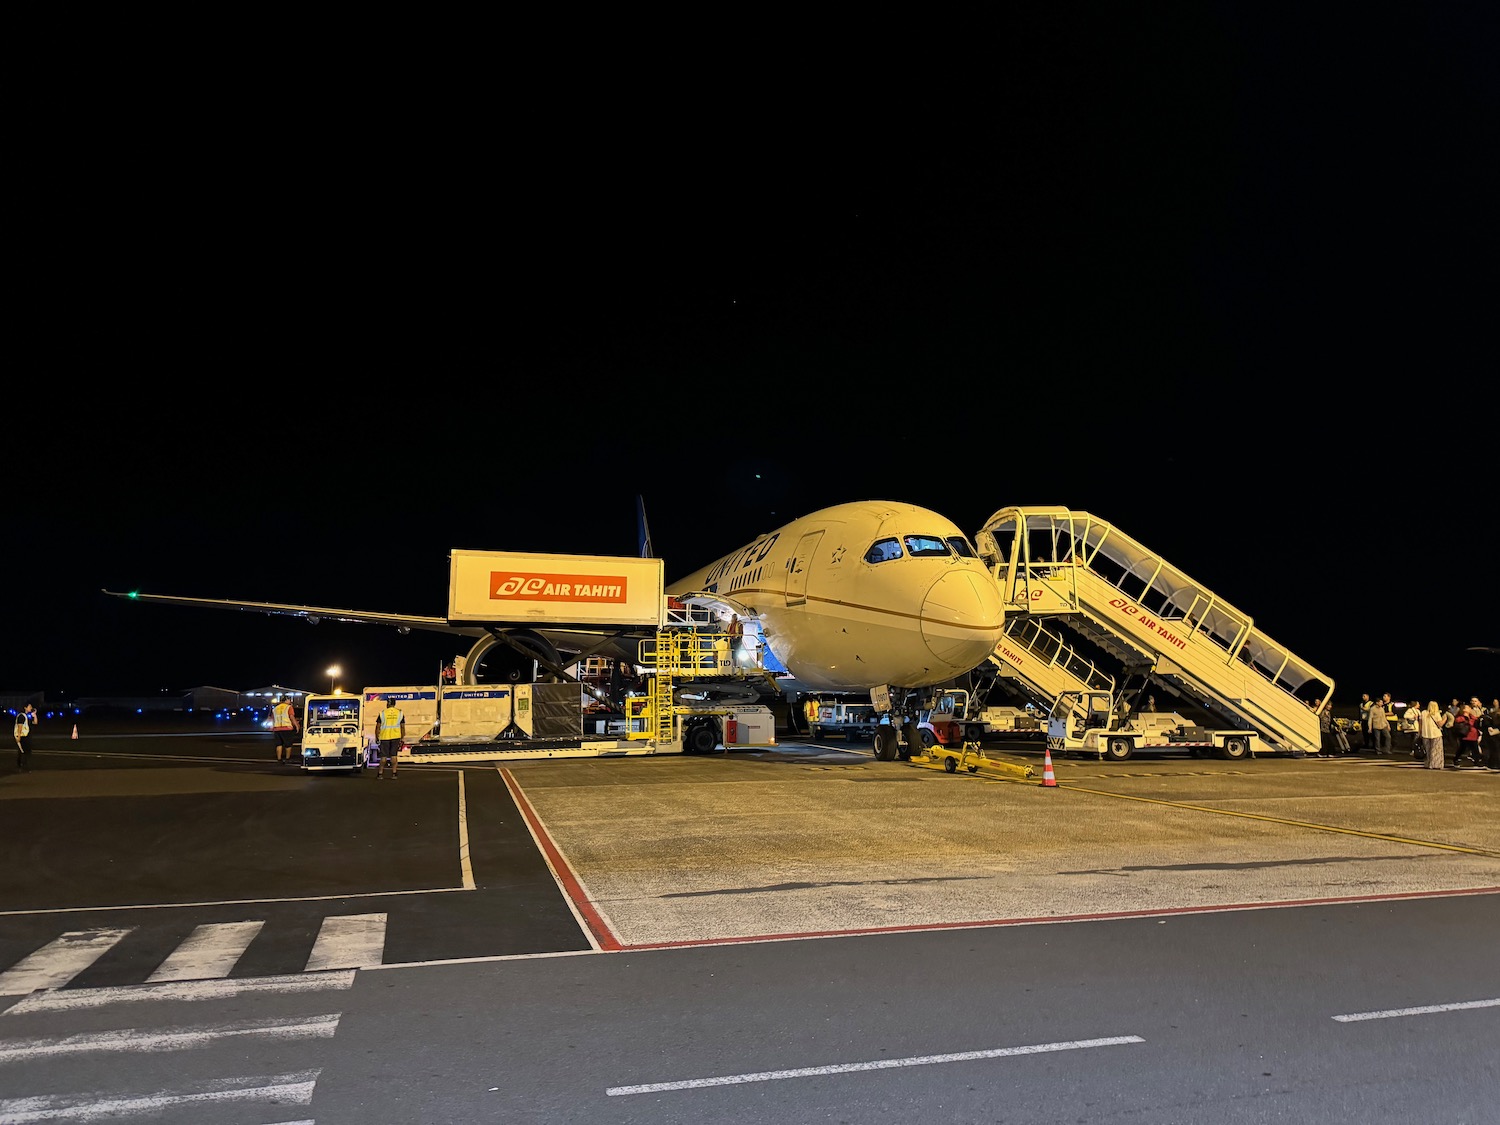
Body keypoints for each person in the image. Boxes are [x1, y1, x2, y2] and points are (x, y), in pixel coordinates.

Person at [375, 697, 405, 779]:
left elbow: (378, 727)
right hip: (396, 737)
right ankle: (394, 773)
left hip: (384, 737)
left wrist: (377, 737)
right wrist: (402, 737)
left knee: (383, 757)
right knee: (394, 756)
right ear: (394, 704)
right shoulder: (400, 713)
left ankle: (380, 773)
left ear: (387, 704)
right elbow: (402, 727)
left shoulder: (382, 713)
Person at [270, 695, 300, 763]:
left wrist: (272, 728)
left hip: (277, 728)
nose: (290, 701)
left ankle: (279, 759)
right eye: (289, 700)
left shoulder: (275, 708)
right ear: (286, 700)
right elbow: (291, 717)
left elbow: (273, 719)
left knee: (279, 744)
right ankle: (287, 758)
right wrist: (296, 725)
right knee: (288, 744)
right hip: (287, 728)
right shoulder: (289, 707)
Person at [1418, 700, 1446, 769]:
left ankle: (1428, 763)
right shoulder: (1436, 714)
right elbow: (1440, 724)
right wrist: (1445, 719)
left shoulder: (1423, 713)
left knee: (1428, 750)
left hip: (1425, 734)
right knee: (1436, 750)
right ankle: (1435, 764)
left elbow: (1420, 723)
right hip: (1435, 734)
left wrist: (1420, 732)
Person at [12, 703, 38, 772]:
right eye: (29, 706)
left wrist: (34, 715)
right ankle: (24, 766)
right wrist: (19, 736)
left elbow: (35, 722)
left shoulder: (27, 716)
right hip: (23, 736)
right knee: (26, 751)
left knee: (23, 751)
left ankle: (20, 764)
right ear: (25, 708)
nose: (31, 707)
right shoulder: (21, 716)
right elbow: (20, 726)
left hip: (27, 735)